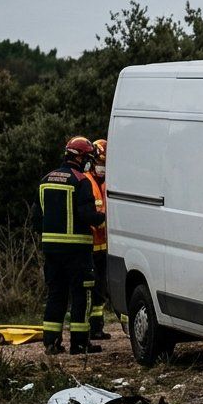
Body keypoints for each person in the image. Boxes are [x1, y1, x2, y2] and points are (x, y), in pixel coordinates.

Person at [37, 137, 104, 354]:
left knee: (56, 294)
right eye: (88, 158)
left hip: (51, 250)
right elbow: (86, 215)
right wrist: (102, 217)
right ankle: (80, 343)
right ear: (80, 156)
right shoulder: (80, 180)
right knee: (81, 295)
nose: (89, 163)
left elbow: (37, 219)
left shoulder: (45, 180)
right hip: (77, 251)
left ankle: (51, 342)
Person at [86, 138, 112, 341]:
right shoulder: (86, 181)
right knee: (88, 289)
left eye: (105, 163)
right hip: (89, 246)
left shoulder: (108, 183)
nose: (102, 167)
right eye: (100, 162)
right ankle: (84, 328)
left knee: (101, 290)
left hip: (105, 247)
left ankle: (97, 327)